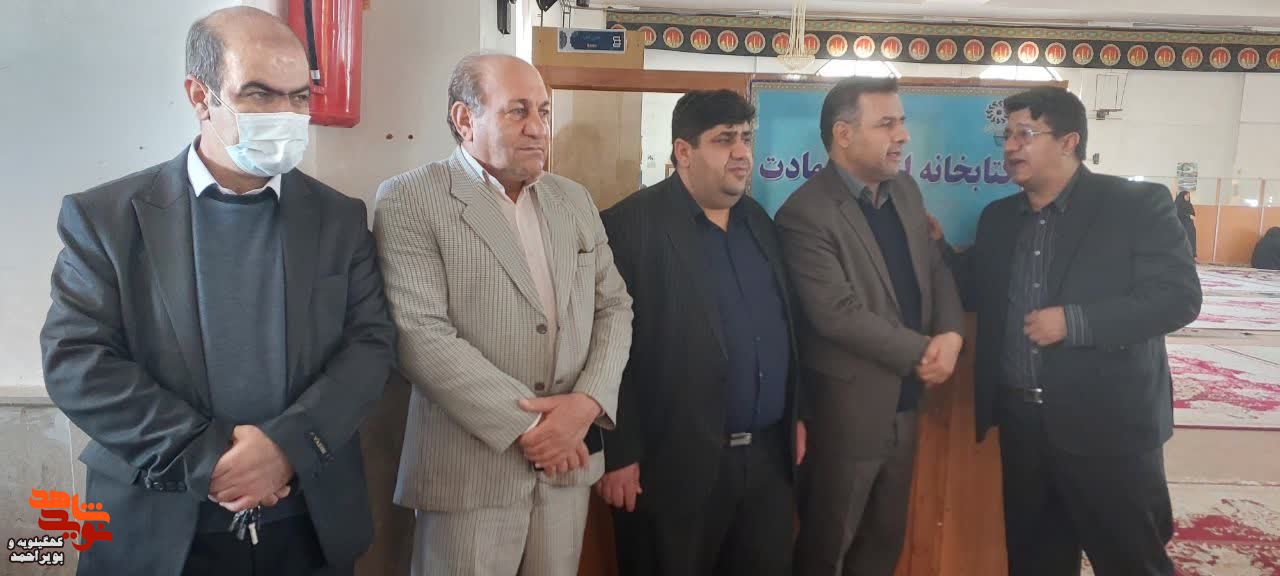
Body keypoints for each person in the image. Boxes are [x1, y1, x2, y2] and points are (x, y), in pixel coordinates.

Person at [40, 7, 396, 575]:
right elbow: (77, 362)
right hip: (156, 525)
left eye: (298, 97)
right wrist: (208, 460)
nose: (285, 114)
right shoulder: (106, 219)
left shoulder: (338, 218)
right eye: (259, 94)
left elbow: (370, 346)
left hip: (308, 523)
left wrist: (286, 449)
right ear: (200, 97)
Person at [373, 52, 633, 576]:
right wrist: (535, 427)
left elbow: (615, 306)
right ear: (464, 119)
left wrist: (584, 406)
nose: (538, 127)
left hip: (566, 467)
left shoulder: (573, 199)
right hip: (470, 471)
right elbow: (419, 335)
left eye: (543, 111)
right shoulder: (411, 198)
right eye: (518, 111)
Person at [937, 86, 1201, 576]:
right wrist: (930, 247)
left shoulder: (1134, 205)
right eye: (1005, 135)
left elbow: (1178, 297)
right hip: (1023, 425)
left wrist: (1075, 322)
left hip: (1109, 425)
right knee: (1035, 561)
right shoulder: (998, 220)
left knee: (1131, 561)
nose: (1009, 146)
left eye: (1024, 134)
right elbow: (973, 289)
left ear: (1068, 141)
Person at [595, 90, 804, 576]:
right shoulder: (628, 227)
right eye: (724, 139)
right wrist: (617, 453)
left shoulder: (758, 222)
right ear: (683, 152)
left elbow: (786, 328)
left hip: (766, 462)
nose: (742, 152)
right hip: (669, 467)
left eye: (746, 138)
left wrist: (798, 413)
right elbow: (605, 346)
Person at [773, 77, 965, 576]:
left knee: (883, 543)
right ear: (844, 134)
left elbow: (935, 267)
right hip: (845, 416)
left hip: (905, 406)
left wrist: (952, 334)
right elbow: (836, 313)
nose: (903, 135)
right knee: (827, 549)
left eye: (901, 122)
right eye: (887, 124)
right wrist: (925, 352)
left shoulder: (905, 191)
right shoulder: (805, 213)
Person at [1175, 189, 1197, 259]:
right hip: (1181, 225)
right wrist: (1188, 215)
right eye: (1187, 196)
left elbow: (1193, 214)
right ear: (1182, 196)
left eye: (1189, 196)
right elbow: (1178, 213)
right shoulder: (1177, 204)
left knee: (1191, 240)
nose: (1188, 197)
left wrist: (1191, 216)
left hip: (1190, 225)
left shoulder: (1189, 205)